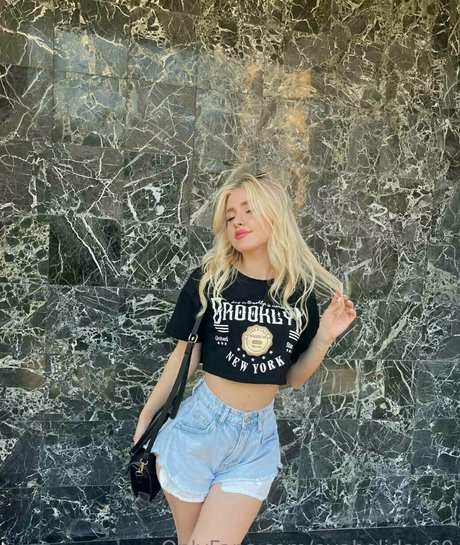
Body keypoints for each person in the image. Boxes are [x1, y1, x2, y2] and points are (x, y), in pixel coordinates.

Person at [133, 170, 357, 545]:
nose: (237, 220)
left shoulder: (299, 292)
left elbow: (292, 377)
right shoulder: (210, 280)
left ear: (275, 214)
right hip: (199, 431)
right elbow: (183, 357)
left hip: (257, 438)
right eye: (231, 214)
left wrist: (324, 337)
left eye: (249, 209)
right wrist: (146, 419)